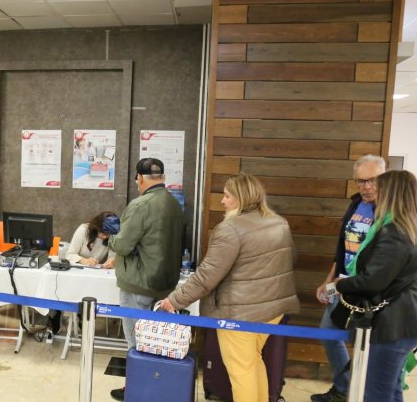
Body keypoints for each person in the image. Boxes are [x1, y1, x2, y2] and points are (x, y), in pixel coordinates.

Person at [159, 173, 299, 402]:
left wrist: (175, 300)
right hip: (273, 310)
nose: (222, 202)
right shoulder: (278, 222)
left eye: (227, 196)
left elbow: (207, 275)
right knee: (253, 362)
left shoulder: (230, 229)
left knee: (241, 371)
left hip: (241, 313)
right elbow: (289, 259)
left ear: (241, 198)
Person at [333, 170, 417, 402]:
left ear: (391, 194)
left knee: (376, 393)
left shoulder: (395, 232)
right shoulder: (413, 227)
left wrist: (341, 285)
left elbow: (372, 281)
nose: (373, 192)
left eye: (379, 189)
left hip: (395, 324)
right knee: (392, 390)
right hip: (409, 320)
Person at [106, 158, 184, 401]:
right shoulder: (174, 203)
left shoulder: (140, 204)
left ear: (139, 178)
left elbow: (124, 244)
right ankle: (154, 387)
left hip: (138, 283)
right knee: (157, 340)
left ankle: (137, 389)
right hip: (164, 283)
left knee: (136, 341)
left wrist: (111, 236)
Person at [311, 154, 386, 402]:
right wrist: (328, 280)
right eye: (360, 181)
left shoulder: (391, 211)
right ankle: (344, 388)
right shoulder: (356, 204)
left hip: (370, 289)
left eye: (372, 180)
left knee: (367, 344)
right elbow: (343, 249)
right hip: (341, 283)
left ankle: (360, 392)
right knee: (327, 332)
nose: (366, 187)